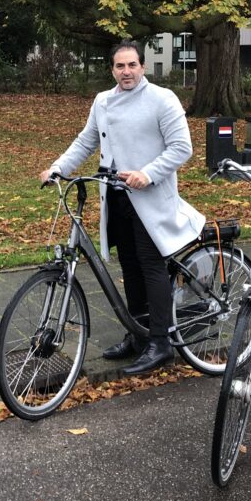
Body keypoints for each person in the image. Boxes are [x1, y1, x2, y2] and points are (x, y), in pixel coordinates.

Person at [40, 39, 205, 375]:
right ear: (112, 68)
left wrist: (148, 174)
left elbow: (181, 148)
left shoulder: (162, 99)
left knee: (151, 265)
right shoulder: (103, 101)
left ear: (142, 66)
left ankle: (161, 342)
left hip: (149, 198)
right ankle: (139, 333)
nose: (126, 72)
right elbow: (87, 140)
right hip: (115, 196)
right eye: (120, 66)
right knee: (128, 266)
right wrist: (59, 167)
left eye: (132, 65)